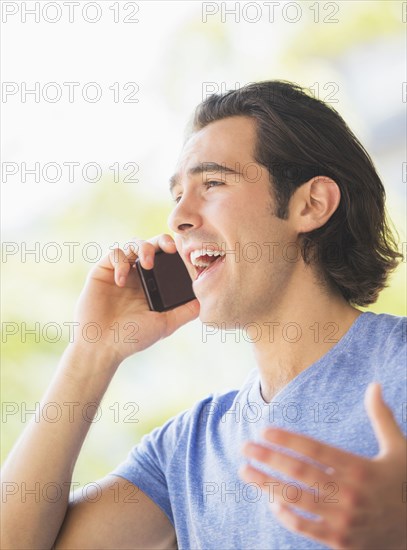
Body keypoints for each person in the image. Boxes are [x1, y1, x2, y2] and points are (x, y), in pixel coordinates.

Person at [1, 80, 406, 550]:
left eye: (212, 183)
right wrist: (92, 351)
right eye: (177, 195)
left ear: (310, 204)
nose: (177, 218)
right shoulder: (186, 451)